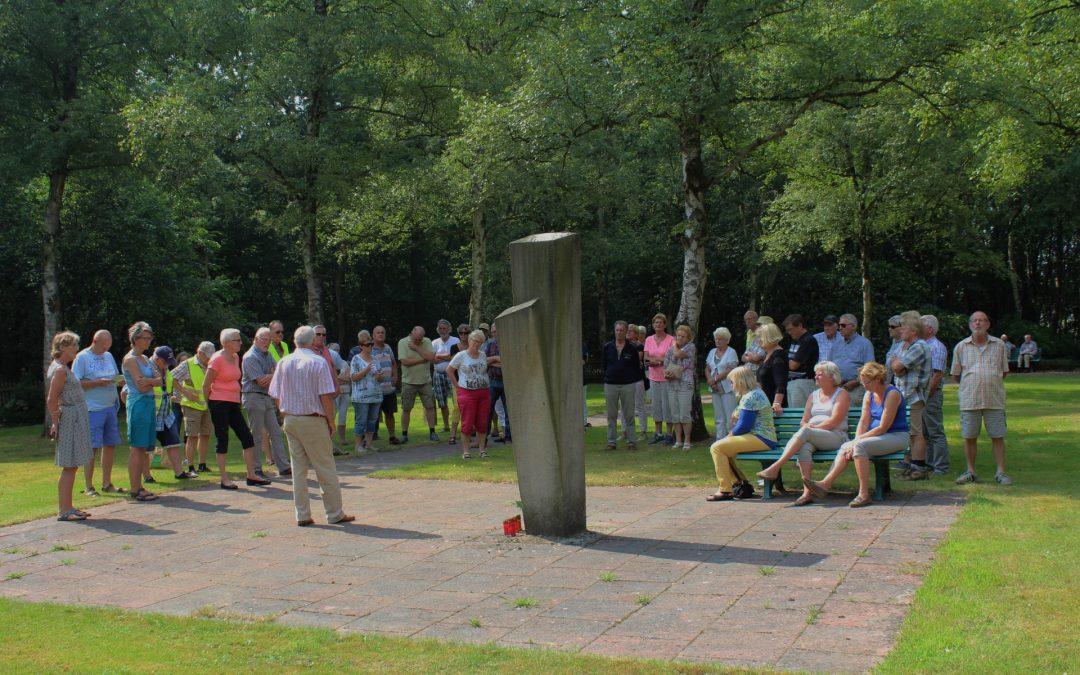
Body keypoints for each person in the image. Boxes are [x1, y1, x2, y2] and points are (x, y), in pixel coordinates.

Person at [268, 326, 355, 526]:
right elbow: (325, 395)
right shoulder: (319, 362)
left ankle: (302, 514)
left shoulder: (283, 362)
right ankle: (334, 513)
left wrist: (284, 413)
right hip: (313, 419)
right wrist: (331, 421)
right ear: (311, 341)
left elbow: (275, 393)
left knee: (298, 469)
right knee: (325, 466)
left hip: (291, 418)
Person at [804, 362, 910, 507]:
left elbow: (883, 428)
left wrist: (857, 441)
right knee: (847, 446)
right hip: (876, 437)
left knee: (858, 446)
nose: (864, 385)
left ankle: (864, 494)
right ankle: (825, 484)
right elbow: (863, 421)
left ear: (878, 379)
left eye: (866, 382)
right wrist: (853, 441)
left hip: (897, 436)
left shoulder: (892, 394)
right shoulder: (869, 394)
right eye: (862, 382)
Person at [757, 361, 851, 505]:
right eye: (816, 374)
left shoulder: (841, 394)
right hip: (814, 437)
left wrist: (810, 428)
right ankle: (807, 493)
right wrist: (808, 428)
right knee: (803, 447)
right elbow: (804, 420)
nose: (816, 377)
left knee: (806, 432)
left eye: (820, 374)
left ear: (832, 377)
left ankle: (776, 467)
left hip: (836, 436)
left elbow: (834, 422)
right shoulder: (813, 395)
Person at [203, 328, 269, 490]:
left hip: (233, 402)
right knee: (222, 438)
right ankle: (224, 478)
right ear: (226, 343)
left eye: (240, 340)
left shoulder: (235, 356)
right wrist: (209, 404)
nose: (240, 343)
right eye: (237, 340)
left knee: (247, 437)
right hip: (218, 402)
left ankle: (251, 474)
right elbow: (206, 384)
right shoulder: (217, 359)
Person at [952, 312, 1011, 485]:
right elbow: (956, 375)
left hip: (994, 398)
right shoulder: (961, 347)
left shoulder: (999, 345)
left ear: (988, 324)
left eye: (981, 320)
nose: (978, 323)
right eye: (974, 321)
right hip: (970, 399)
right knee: (969, 436)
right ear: (970, 324)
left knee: (998, 436)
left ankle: (1001, 472)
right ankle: (970, 471)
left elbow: (1004, 371)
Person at [706, 366, 779, 501]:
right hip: (760, 437)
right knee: (722, 449)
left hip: (761, 438)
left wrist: (730, 435)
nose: (732, 386)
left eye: (732, 382)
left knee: (717, 447)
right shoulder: (753, 393)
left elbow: (744, 426)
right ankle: (740, 484)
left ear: (740, 381)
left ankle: (725, 490)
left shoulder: (751, 396)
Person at [47, 331, 94, 521]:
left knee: (73, 465)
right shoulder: (59, 369)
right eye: (73, 345)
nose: (76, 349)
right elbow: (52, 399)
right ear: (63, 347)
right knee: (69, 465)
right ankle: (64, 510)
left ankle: (69, 507)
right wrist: (56, 421)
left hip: (75, 417)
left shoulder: (63, 368)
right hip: (70, 420)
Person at [72, 329, 122, 496]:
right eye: (103, 346)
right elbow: (75, 382)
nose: (105, 350)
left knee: (110, 444)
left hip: (110, 406)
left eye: (108, 346)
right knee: (92, 447)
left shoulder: (108, 356)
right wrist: (96, 383)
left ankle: (107, 483)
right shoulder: (82, 357)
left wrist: (118, 380)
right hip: (92, 408)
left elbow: (114, 375)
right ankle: (88, 486)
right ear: (95, 341)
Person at [891, 310, 934, 481]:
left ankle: (919, 468)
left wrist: (897, 364)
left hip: (913, 396)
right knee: (910, 432)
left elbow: (897, 366)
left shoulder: (919, 346)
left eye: (904, 327)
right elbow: (893, 364)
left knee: (916, 433)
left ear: (914, 331)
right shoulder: (905, 346)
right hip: (904, 396)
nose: (900, 330)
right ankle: (912, 466)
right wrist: (897, 364)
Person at [122, 322, 162, 502]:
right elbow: (140, 384)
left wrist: (150, 381)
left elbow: (159, 380)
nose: (149, 341)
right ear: (135, 339)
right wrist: (151, 381)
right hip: (138, 403)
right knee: (137, 447)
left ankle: (140, 486)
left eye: (150, 338)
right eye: (146, 338)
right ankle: (134, 489)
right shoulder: (130, 359)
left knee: (144, 447)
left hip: (148, 403)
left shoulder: (145, 359)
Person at [242, 327, 290, 478]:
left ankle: (283, 466)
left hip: (266, 397)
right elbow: (260, 381)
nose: (267, 343)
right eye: (263, 339)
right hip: (253, 396)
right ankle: (256, 469)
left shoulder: (267, 354)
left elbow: (280, 371)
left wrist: (272, 374)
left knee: (275, 432)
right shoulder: (250, 357)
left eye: (269, 340)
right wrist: (274, 374)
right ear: (255, 339)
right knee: (256, 434)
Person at [449, 329, 500, 459]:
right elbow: (449, 370)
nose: (476, 344)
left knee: (482, 422)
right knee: (467, 422)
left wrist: (495, 359)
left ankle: (482, 450)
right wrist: (457, 387)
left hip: (483, 392)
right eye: (475, 341)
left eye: (479, 342)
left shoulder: (482, 355)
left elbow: (489, 362)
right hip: (467, 393)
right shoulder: (461, 355)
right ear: (470, 340)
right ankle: (466, 451)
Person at [172, 340, 214, 475]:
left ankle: (202, 464)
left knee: (206, 434)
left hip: (206, 405)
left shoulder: (211, 364)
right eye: (207, 356)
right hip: (191, 406)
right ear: (200, 353)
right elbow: (171, 377)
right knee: (192, 436)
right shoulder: (188, 364)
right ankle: (190, 467)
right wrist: (185, 393)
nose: (209, 359)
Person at [151, 345, 193, 481]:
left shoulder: (167, 371)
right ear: (157, 359)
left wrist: (172, 397)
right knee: (146, 447)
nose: (167, 366)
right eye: (165, 362)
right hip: (152, 414)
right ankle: (146, 476)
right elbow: (127, 392)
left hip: (166, 413)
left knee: (173, 442)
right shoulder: (146, 369)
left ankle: (179, 473)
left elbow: (169, 387)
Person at [601, 321, 641, 450]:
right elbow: (604, 365)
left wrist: (630, 378)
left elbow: (636, 366)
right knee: (611, 415)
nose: (619, 332)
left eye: (621, 330)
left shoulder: (632, 348)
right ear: (614, 331)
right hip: (610, 384)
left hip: (628, 385)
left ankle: (631, 442)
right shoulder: (608, 347)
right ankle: (611, 441)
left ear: (626, 332)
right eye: (617, 330)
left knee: (629, 414)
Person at [398, 325, 439, 443]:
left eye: (420, 339)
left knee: (430, 407)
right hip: (408, 382)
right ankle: (404, 434)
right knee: (406, 409)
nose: (418, 341)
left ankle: (432, 432)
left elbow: (431, 357)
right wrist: (422, 359)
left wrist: (417, 348)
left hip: (425, 381)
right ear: (411, 333)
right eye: (416, 339)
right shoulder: (403, 342)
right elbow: (405, 362)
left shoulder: (426, 341)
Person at [921, 315, 950, 475]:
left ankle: (940, 467)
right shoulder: (923, 345)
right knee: (925, 432)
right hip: (923, 394)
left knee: (935, 431)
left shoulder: (936, 347)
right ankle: (929, 464)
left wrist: (927, 396)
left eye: (921, 326)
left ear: (930, 329)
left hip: (931, 394)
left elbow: (937, 375)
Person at [349, 330, 385, 454]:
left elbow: (380, 378)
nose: (369, 347)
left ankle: (369, 444)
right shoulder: (356, 359)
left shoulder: (375, 359)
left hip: (375, 395)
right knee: (361, 421)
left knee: (372, 421)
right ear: (361, 346)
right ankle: (358, 445)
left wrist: (380, 376)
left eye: (371, 344)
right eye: (367, 345)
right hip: (361, 397)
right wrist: (366, 369)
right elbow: (353, 377)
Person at [663, 324, 696, 449]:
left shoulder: (690, 347)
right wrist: (666, 374)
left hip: (685, 385)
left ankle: (687, 441)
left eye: (683, 336)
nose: (680, 338)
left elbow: (677, 355)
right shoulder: (670, 349)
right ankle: (678, 441)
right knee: (675, 414)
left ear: (688, 338)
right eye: (678, 336)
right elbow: (665, 364)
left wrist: (674, 345)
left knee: (684, 414)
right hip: (672, 384)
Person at [643, 313, 674, 445]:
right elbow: (645, 358)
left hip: (667, 377)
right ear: (653, 324)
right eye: (656, 322)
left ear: (665, 325)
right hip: (653, 377)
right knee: (656, 406)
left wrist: (659, 362)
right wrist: (657, 360)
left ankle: (669, 434)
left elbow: (671, 357)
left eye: (661, 322)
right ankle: (658, 433)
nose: (658, 325)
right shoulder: (649, 339)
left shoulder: (671, 339)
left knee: (667, 406)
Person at [830, 313, 875, 403]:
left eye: (843, 325)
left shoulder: (865, 344)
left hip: (856, 386)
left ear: (853, 326)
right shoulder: (836, 344)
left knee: (852, 408)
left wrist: (856, 381)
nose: (840, 328)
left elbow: (870, 368)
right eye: (839, 325)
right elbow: (829, 364)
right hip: (836, 385)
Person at [705, 327, 739, 440]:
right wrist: (710, 380)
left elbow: (730, 369)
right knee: (718, 417)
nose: (717, 341)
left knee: (731, 415)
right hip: (714, 389)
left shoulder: (731, 352)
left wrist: (714, 380)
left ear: (727, 340)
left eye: (720, 339)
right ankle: (719, 440)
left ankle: (732, 440)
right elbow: (707, 368)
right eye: (716, 339)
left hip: (728, 388)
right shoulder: (712, 352)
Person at [371, 326, 401, 444]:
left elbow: (394, 363)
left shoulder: (388, 348)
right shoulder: (370, 349)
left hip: (389, 388)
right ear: (373, 335)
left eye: (382, 332)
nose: (380, 334)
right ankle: (369, 438)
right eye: (378, 332)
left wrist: (395, 376)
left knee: (390, 413)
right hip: (376, 389)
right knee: (373, 415)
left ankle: (392, 436)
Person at [782, 314, 819, 409]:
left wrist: (784, 360)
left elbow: (793, 365)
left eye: (791, 329)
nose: (789, 332)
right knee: (793, 416)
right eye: (788, 330)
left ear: (800, 325)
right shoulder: (795, 341)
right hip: (792, 383)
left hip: (802, 383)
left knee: (799, 416)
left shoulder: (808, 340)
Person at [484, 323, 510, 443]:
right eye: (493, 332)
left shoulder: (509, 343)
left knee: (508, 410)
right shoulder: (490, 345)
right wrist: (495, 358)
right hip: (493, 381)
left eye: (497, 331)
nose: (495, 334)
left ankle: (508, 436)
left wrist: (492, 360)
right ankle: (483, 437)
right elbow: (484, 360)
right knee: (488, 410)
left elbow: (509, 362)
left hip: (506, 381)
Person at [431, 319, 459, 433]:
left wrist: (439, 356)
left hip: (452, 374)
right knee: (442, 401)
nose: (443, 330)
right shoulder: (434, 343)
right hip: (438, 374)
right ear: (438, 330)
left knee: (456, 401)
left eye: (444, 328)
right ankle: (446, 426)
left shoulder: (455, 340)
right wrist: (447, 357)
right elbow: (432, 359)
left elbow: (454, 358)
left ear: (449, 329)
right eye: (441, 328)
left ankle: (458, 425)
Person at [756, 321, 787, 415]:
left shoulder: (778, 356)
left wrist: (777, 403)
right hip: (764, 403)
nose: (758, 340)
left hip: (772, 406)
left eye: (760, 337)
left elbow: (781, 382)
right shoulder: (769, 354)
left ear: (768, 337)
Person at [627, 324, 650, 438]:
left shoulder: (640, 347)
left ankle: (643, 432)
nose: (628, 333)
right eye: (627, 331)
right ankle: (626, 431)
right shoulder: (622, 346)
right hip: (624, 380)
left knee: (640, 406)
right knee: (625, 407)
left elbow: (636, 361)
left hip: (637, 379)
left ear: (636, 334)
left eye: (630, 331)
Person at [328, 342, 351, 451]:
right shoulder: (328, 363)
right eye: (334, 350)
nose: (336, 352)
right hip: (334, 393)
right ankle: (330, 440)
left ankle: (342, 438)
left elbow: (348, 378)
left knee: (343, 415)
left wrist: (338, 379)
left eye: (337, 350)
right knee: (331, 415)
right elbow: (336, 378)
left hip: (345, 393)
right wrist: (340, 379)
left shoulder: (344, 363)